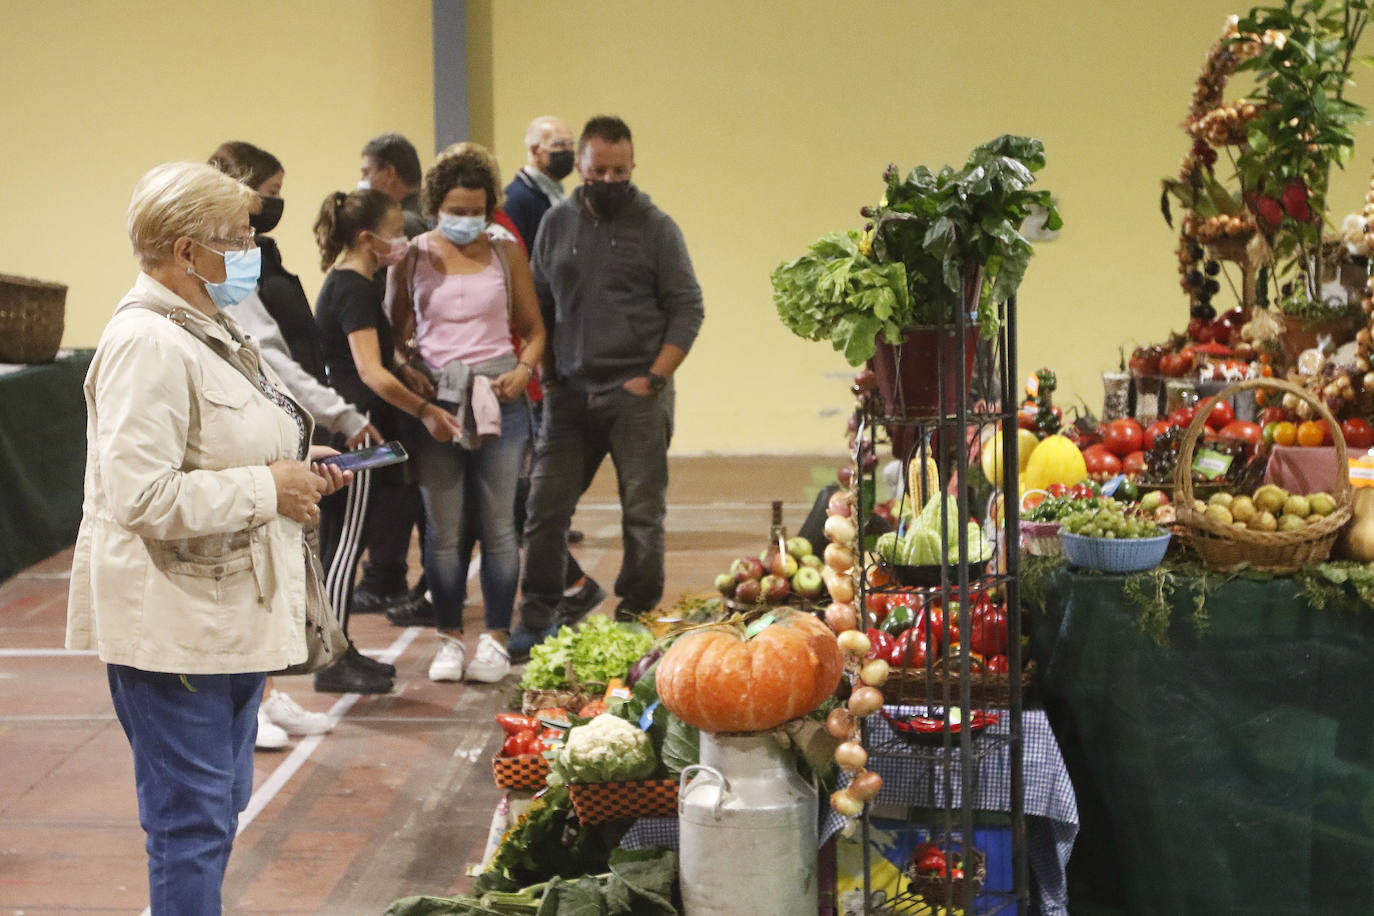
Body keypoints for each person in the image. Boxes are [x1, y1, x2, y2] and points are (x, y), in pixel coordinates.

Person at [66, 161, 351, 914]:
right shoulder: (145, 342)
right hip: (174, 620)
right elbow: (140, 493)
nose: (253, 249)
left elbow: (222, 440)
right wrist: (269, 488)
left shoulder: (208, 325)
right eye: (240, 237)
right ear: (187, 252)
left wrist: (293, 466)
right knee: (190, 822)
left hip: (225, 611)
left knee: (219, 808)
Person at [209, 141, 383, 746]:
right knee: (246, 579)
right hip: (250, 449)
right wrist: (336, 411)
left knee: (275, 572)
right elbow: (268, 358)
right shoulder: (210, 285)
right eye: (269, 195)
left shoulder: (260, 257)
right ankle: (251, 704)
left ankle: (268, 694)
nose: (252, 238)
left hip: (282, 432)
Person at [510, 116, 704, 655]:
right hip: (569, 395)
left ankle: (635, 611)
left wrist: (654, 378)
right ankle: (538, 613)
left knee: (642, 514)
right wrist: (547, 378)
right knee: (544, 511)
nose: (610, 180)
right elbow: (540, 305)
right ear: (582, 168)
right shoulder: (556, 223)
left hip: (636, 395)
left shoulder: (657, 228)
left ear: (633, 167)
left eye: (621, 171)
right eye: (599, 171)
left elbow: (688, 308)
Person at [386, 150, 545, 683]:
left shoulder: (506, 253)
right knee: (443, 530)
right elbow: (394, 335)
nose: (466, 218)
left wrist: (524, 369)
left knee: (500, 526)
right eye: (456, 208)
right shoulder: (412, 255)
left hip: (500, 395)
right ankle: (449, 638)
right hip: (440, 401)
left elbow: (535, 327)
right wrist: (409, 372)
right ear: (433, 207)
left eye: (477, 209)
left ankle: (496, 639)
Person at [312, 189, 464, 692]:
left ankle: (341, 648)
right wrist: (426, 411)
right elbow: (369, 372)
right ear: (366, 237)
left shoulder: (359, 282)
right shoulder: (352, 286)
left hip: (364, 426)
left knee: (347, 541)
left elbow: (380, 355)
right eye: (396, 231)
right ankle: (331, 659)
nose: (402, 240)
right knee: (343, 546)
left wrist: (406, 369)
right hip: (358, 433)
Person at [356, 132, 432, 622]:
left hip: (397, 378)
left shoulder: (404, 227)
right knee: (402, 482)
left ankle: (387, 576)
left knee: (395, 482)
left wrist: (399, 366)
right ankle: (397, 577)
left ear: (387, 174)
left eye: (365, 170)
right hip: (401, 371)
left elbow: (393, 318)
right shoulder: (415, 223)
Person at [503, 115, 575, 250]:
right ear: (535, 150)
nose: (568, 151)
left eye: (571, 144)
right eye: (559, 144)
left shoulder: (558, 194)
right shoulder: (516, 198)